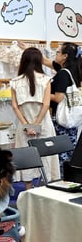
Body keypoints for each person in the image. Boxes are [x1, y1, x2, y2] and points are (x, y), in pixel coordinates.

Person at [10, 47, 59, 189]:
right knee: (47, 158)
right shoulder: (46, 80)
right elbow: (46, 105)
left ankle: (28, 190)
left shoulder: (15, 82)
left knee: (27, 158)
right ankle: (46, 191)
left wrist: (27, 126)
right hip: (44, 125)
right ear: (39, 62)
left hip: (24, 127)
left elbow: (15, 107)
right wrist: (36, 125)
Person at [42, 42, 82, 173]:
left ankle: (62, 180)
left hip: (61, 119)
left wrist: (44, 92)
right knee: (71, 151)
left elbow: (59, 98)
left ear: (65, 56)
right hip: (72, 118)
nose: (55, 54)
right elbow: (49, 63)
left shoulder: (63, 74)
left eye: (58, 52)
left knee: (61, 153)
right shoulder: (74, 70)